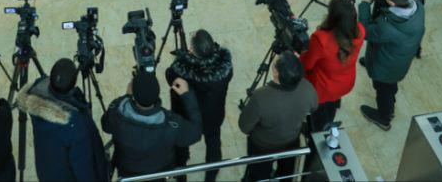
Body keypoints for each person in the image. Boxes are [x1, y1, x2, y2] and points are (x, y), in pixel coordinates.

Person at [17, 58, 109, 182]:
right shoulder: (75, 126)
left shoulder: (35, 94)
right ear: (73, 85)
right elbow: (84, 169)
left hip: (46, 173)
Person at [102, 70, 202, 179]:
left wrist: (126, 96)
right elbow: (196, 133)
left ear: (134, 94)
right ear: (157, 95)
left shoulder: (116, 114)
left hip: (126, 175)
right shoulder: (171, 124)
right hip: (158, 175)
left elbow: (105, 126)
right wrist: (187, 95)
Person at [239, 51, 317, 182]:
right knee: (286, 173)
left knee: (258, 175)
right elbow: (314, 107)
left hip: (262, 145)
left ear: (276, 73)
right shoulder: (308, 88)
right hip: (291, 141)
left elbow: (244, 126)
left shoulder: (260, 97)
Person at [357, 0, 424, 130]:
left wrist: (365, 4)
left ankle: (384, 118)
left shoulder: (386, 26)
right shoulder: (418, 7)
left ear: (392, 3)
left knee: (382, 89)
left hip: (386, 67)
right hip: (400, 60)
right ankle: (390, 103)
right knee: (390, 85)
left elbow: (364, 31)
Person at [166, 29, 233, 181]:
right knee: (214, 144)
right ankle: (211, 176)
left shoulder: (182, 69)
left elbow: (170, 77)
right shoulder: (225, 67)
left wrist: (183, 58)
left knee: (180, 147)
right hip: (214, 115)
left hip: (186, 117)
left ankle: (181, 176)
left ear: (192, 50)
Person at [300, 0, 365, 130]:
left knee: (319, 115)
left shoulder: (321, 39)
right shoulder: (360, 31)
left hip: (323, 88)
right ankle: (330, 117)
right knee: (332, 104)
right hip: (345, 83)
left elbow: (307, 64)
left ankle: (318, 131)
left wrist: (299, 55)